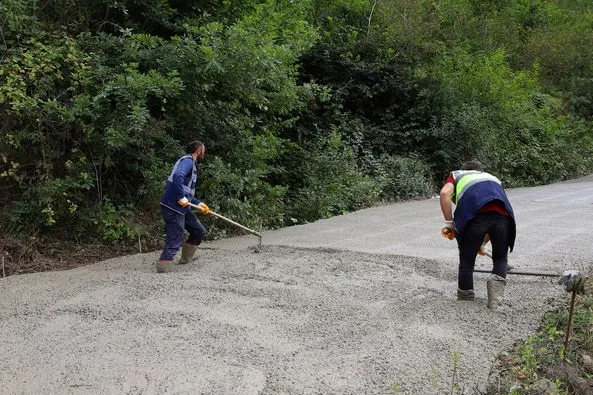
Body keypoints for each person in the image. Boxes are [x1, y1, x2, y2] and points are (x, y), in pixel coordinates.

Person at [439, 160, 516, 308]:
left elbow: (444, 193)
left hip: (475, 217)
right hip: (504, 217)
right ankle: (495, 301)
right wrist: (482, 243)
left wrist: (449, 223)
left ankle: (466, 300)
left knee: (467, 261)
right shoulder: (491, 178)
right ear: (480, 170)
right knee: (500, 258)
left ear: (465, 170)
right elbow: (492, 211)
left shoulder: (458, 176)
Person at [157, 140, 210, 273]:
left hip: (182, 208)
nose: (204, 152)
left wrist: (199, 204)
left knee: (198, 231)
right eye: (203, 150)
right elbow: (178, 176)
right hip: (173, 207)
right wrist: (181, 197)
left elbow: (188, 193)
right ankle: (163, 266)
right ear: (198, 150)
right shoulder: (187, 161)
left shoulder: (192, 165)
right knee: (176, 235)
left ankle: (185, 260)